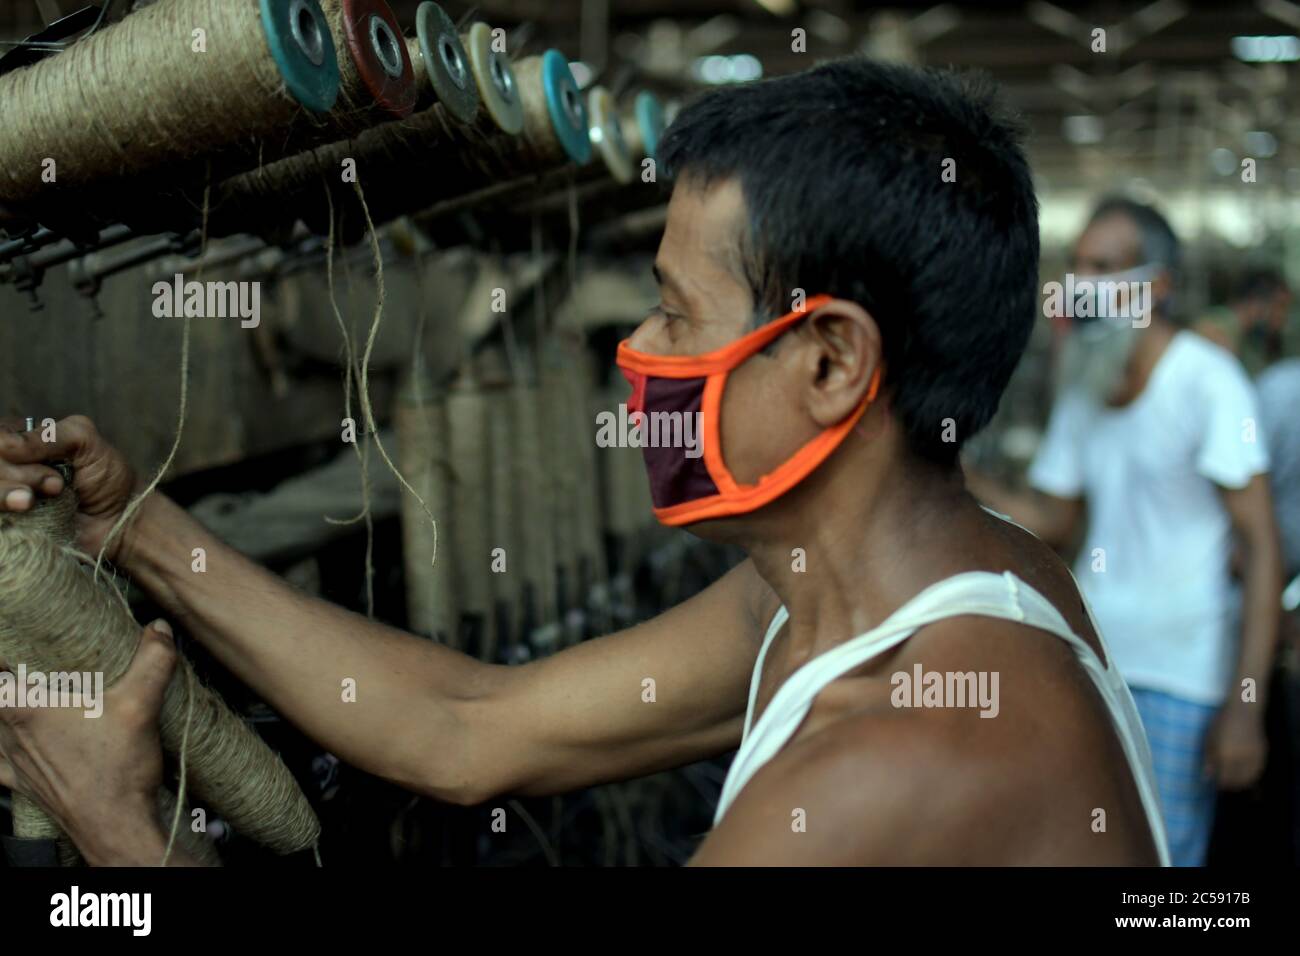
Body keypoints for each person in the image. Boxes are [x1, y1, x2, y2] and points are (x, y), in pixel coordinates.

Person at [0, 58, 1168, 866]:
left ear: (828, 362)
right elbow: (470, 723)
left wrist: (122, 833)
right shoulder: (842, 591)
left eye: (674, 311)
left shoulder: (896, 754)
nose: (635, 355)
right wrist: (136, 526)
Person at [970, 198, 1283, 866]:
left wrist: (1246, 705)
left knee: (1158, 863)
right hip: (1092, 660)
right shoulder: (1088, 382)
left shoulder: (1207, 382)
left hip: (1180, 674)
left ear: (1158, 286)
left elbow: (1260, 548)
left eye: (1104, 266)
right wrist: (952, 475)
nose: (1083, 282)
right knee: (1083, 847)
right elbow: (1053, 519)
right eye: (1078, 265)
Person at [1195, 268, 1297, 379]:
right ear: (1258, 303)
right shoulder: (1215, 330)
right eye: (1281, 306)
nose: (1283, 317)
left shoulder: (1248, 340)